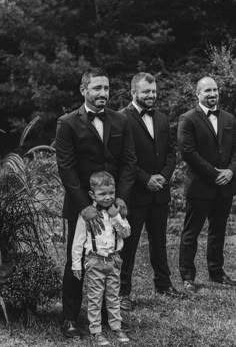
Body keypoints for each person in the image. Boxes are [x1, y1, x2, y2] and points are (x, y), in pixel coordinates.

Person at [55, 67, 136, 337]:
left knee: (110, 257)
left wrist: (121, 197)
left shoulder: (121, 121)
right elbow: (66, 168)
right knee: (76, 257)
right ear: (84, 90)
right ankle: (70, 318)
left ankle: (107, 314)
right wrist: (84, 206)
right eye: (97, 88)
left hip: (114, 205)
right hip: (82, 206)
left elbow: (128, 162)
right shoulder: (67, 123)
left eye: (107, 88)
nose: (103, 93)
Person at [119, 72, 182, 311]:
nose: (151, 95)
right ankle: (123, 292)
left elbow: (170, 153)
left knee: (159, 240)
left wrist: (164, 177)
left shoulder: (163, 119)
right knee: (128, 245)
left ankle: (163, 284)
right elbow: (124, 157)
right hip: (136, 191)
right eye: (146, 91)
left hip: (160, 192)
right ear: (133, 92)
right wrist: (145, 179)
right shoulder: (122, 118)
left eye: (154, 91)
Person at [178, 76, 236, 294]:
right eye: (207, 91)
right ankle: (187, 276)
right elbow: (188, 152)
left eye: (215, 90)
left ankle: (217, 271)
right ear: (198, 93)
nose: (212, 94)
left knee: (218, 230)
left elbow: (235, 150)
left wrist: (230, 171)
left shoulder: (230, 119)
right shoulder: (188, 119)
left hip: (225, 186)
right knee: (191, 232)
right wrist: (214, 174)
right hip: (200, 185)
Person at [72, 171, 130, 346]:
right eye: (102, 194)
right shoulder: (86, 215)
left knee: (113, 295)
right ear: (92, 194)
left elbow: (126, 233)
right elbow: (78, 241)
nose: (107, 197)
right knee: (95, 297)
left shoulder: (116, 212)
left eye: (111, 193)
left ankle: (116, 326)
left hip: (113, 261)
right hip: (94, 260)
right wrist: (76, 265)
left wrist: (115, 217)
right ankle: (96, 330)